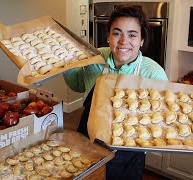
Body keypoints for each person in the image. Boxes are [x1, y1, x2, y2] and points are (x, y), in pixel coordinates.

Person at [63, 4, 168, 180]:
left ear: (142, 40)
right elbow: (78, 85)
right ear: (108, 36)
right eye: (117, 33)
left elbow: (161, 122)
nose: (123, 42)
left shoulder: (153, 74)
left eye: (132, 35)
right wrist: (66, 64)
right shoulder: (94, 58)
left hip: (127, 155)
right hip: (87, 144)